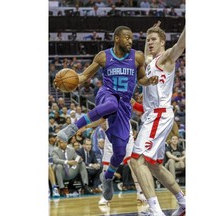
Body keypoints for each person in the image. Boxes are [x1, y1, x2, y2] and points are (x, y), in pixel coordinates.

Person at [55, 25, 158, 201]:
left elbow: (141, 78)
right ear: (117, 38)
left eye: (131, 38)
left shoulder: (137, 57)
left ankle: (108, 178)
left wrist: (148, 81)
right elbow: (83, 77)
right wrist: (66, 81)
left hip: (124, 106)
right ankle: (73, 127)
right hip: (107, 95)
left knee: (119, 151)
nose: (130, 40)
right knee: (111, 103)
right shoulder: (103, 56)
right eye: (126, 37)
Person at [130, 21, 186, 216]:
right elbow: (146, 54)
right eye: (148, 40)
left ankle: (155, 211)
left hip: (158, 115)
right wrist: (149, 32)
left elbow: (180, 45)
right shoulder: (150, 62)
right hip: (155, 116)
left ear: (162, 42)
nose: (150, 42)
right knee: (154, 165)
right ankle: (184, 203)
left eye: (153, 40)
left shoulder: (165, 59)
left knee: (136, 160)